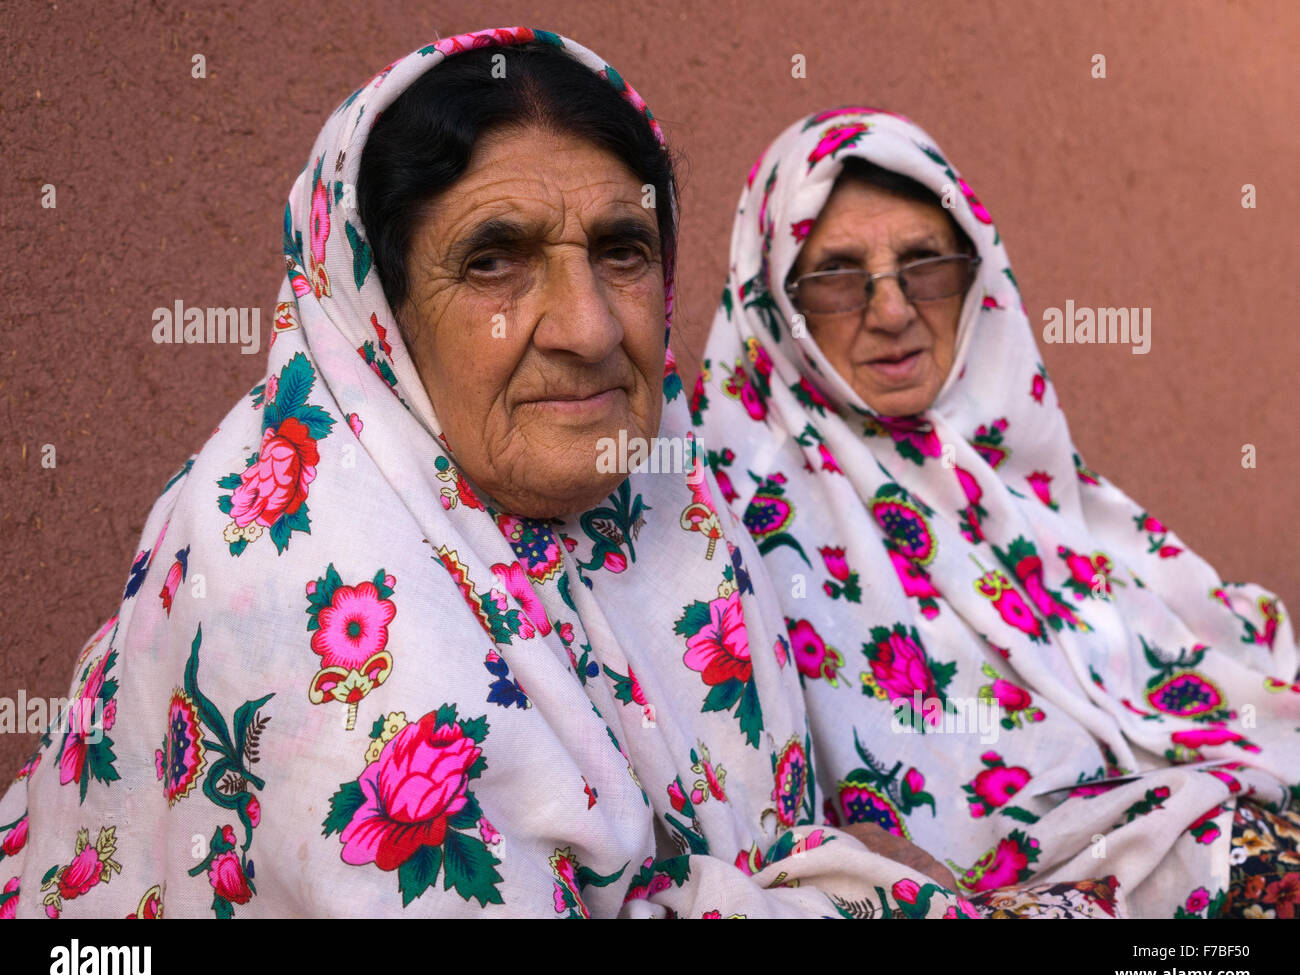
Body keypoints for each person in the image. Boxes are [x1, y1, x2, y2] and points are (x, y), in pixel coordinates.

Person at [0, 30, 1066, 920]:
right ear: (374, 308)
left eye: (622, 250)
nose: (592, 330)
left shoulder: (666, 503)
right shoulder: (308, 582)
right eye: (493, 260)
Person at [691, 106, 1300, 918]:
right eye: (838, 274)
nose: (893, 310)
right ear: (774, 299)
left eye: (924, 263)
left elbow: (1198, 662)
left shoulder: (1007, 466)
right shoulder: (727, 516)